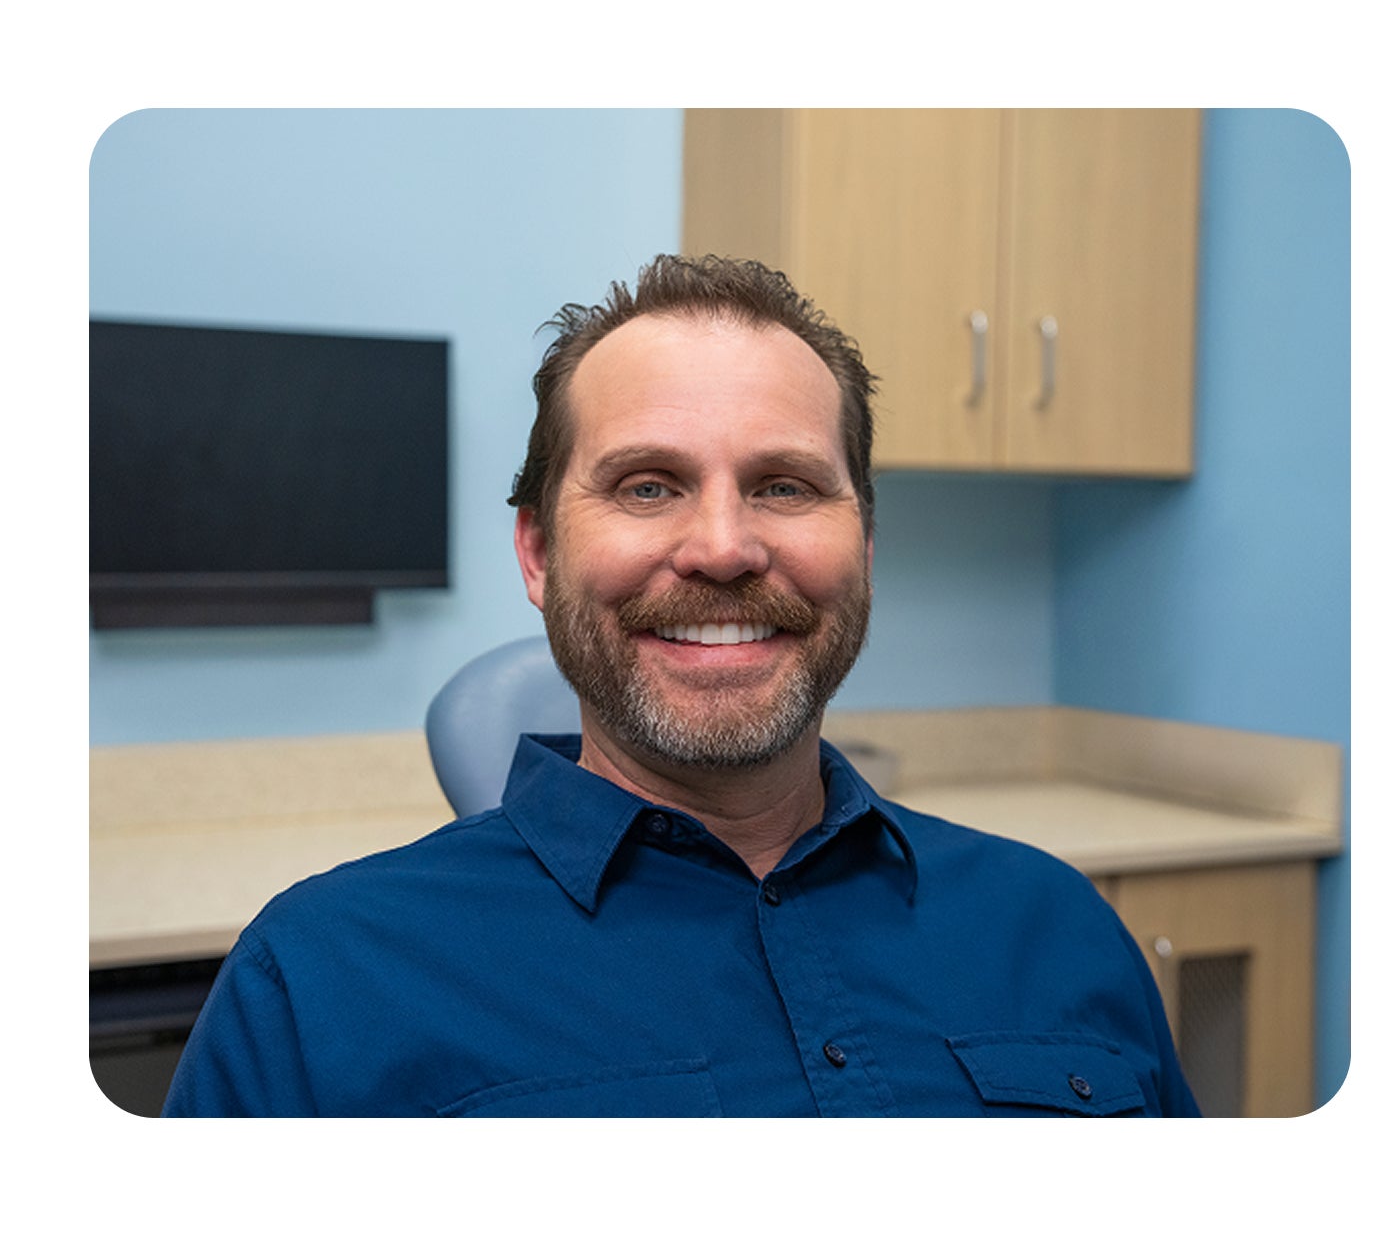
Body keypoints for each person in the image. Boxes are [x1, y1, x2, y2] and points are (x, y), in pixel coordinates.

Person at [163, 255, 1199, 1117]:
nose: (723, 546)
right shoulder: (321, 980)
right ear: (536, 552)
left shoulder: (1057, 926)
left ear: (867, 548)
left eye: (784, 485)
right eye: (647, 485)